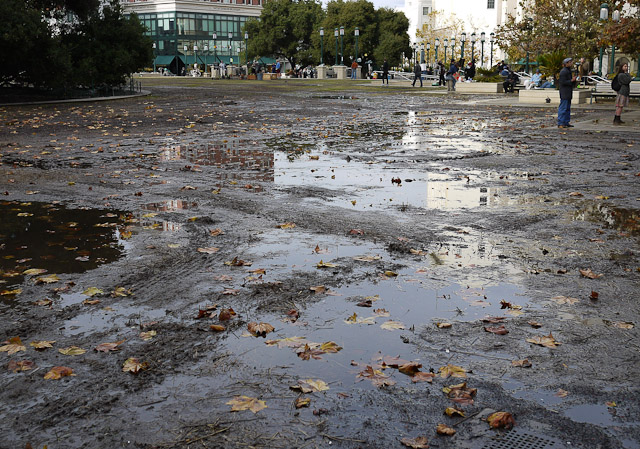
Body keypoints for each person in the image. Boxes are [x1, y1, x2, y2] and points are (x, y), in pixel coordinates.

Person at [557, 57, 577, 128]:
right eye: (570, 62)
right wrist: (571, 81)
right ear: (566, 63)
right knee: (563, 107)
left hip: (568, 92)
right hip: (565, 92)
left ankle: (565, 121)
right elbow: (562, 82)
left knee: (567, 108)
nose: (571, 63)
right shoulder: (564, 71)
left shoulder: (568, 71)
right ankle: (561, 122)